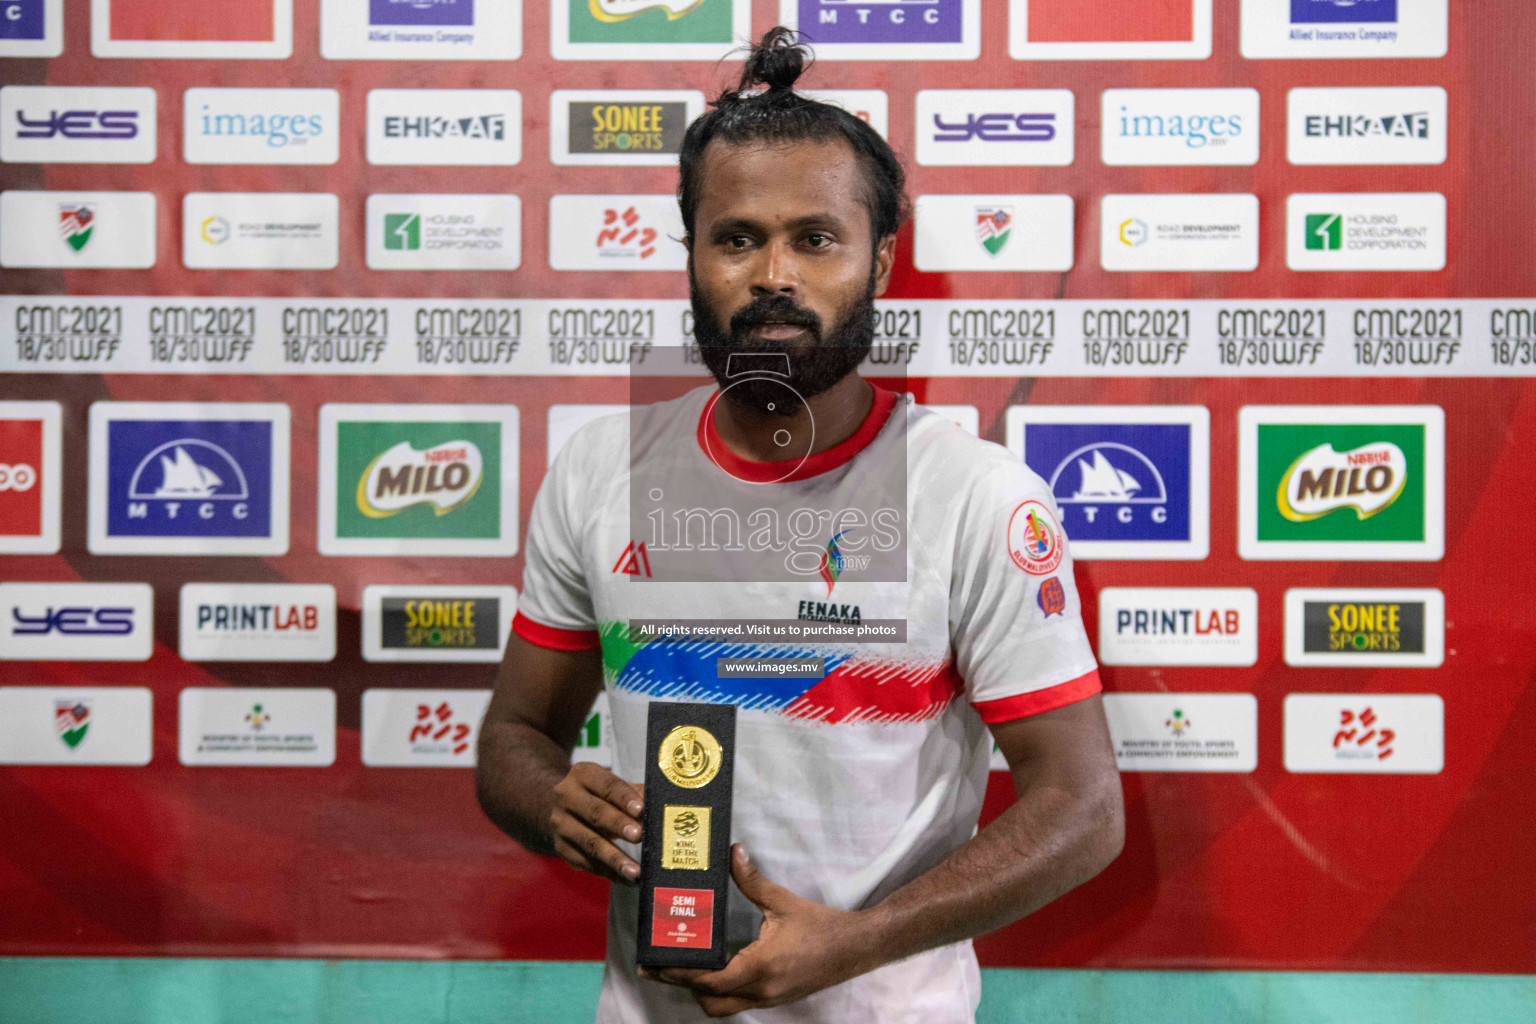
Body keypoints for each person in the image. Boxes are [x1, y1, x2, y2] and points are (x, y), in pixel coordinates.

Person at [475, 27, 1124, 1023]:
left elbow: (1082, 813)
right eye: (736, 237)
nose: (772, 274)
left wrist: (847, 945)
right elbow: (515, 741)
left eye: (815, 238)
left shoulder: (975, 496)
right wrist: (550, 799)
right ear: (690, 251)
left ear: (882, 258)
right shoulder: (603, 470)